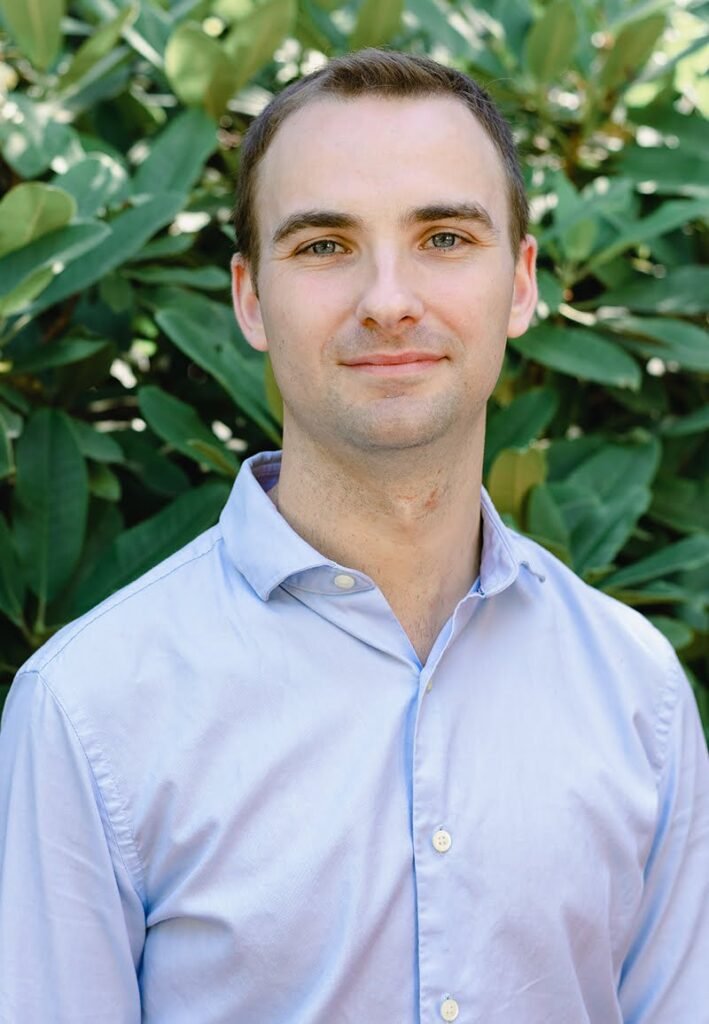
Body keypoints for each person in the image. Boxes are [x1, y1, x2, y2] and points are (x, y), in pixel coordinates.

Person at [0, 49, 707, 1024]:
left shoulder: (637, 693)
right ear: (250, 298)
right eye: (325, 245)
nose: (387, 299)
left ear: (521, 284)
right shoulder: (86, 709)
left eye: (444, 237)